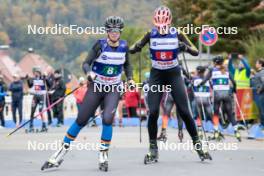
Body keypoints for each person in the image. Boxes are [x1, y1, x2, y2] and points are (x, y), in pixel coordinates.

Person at [41, 16, 134, 172]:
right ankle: (59, 154)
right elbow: (85, 63)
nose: (114, 33)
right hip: (96, 87)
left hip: (113, 88)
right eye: (111, 30)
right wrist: (89, 73)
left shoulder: (124, 46)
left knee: (107, 119)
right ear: (107, 31)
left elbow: (128, 65)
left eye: (117, 31)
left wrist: (130, 79)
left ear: (120, 32)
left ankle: (103, 155)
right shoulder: (100, 45)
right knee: (81, 119)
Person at [130, 6, 211, 163]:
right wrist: (137, 47)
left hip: (174, 74)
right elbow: (133, 48)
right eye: (159, 26)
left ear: (169, 23)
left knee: (185, 111)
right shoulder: (150, 34)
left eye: (164, 26)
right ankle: (153, 149)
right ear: (155, 23)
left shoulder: (178, 33)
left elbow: (196, 51)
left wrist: (185, 47)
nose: (161, 29)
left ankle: (198, 146)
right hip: (157, 75)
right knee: (152, 112)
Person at [199, 56, 241, 142]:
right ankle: (236, 132)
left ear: (215, 63)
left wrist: (199, 85)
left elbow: (205, 80)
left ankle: (216, 131)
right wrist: (234, 90)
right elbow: (234, 82)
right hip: (226, 94)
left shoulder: (212, 70)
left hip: (217, 94)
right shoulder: (226, 70)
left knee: (216, 114)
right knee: (230, 113)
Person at [192, 66, 213, 139]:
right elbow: (211, 87)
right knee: (210, 115)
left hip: (198, 99)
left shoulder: (194, 78)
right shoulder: (207, 79)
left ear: (198, 71)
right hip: (206, 99)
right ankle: (215, 130)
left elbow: (190, 87)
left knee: (198, 115)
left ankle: (200, 130)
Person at [26, 67, 47, 132]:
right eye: (35, 72)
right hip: (35, 97)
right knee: (32, 111)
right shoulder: (33, 79)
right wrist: (27, 79)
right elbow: (30, 86)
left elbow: (47, 82)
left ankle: (44, 125)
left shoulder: (42, 78)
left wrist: (45, 77)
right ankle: (31, 125)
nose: (36, 73)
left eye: (37, 72)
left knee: (41, 110)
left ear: (39, 73)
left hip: (41, 96)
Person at [251, 59, 264, 129]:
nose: (256, 64)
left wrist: (260, 90)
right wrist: (254, 74)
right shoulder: (259, 72)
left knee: (262, 109)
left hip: (261, 93)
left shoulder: (262, 72)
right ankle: (262, 123)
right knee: (260, 109)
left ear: (260, 64)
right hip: (259, 93)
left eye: (257, 63)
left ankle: (263, 125)